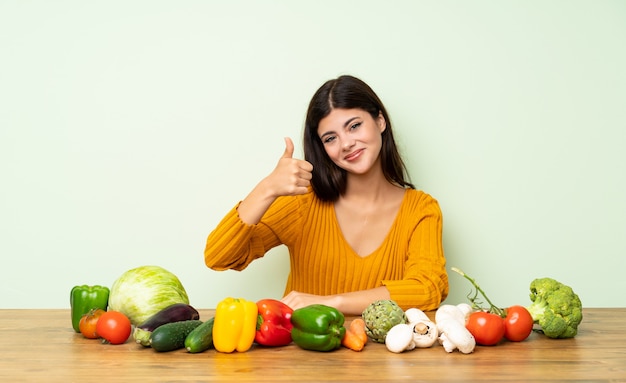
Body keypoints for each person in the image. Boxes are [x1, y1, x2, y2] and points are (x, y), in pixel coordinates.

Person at [204, 75, 448, 315]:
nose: (346, 144)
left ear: (380, 121)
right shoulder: (303, 203)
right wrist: (267, 188)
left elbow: (427, 289)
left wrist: (334, 302)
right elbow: (219, 257)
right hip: (304, 352)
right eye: (331, 138)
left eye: (354, 126)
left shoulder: (421, 209)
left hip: (382, 354)